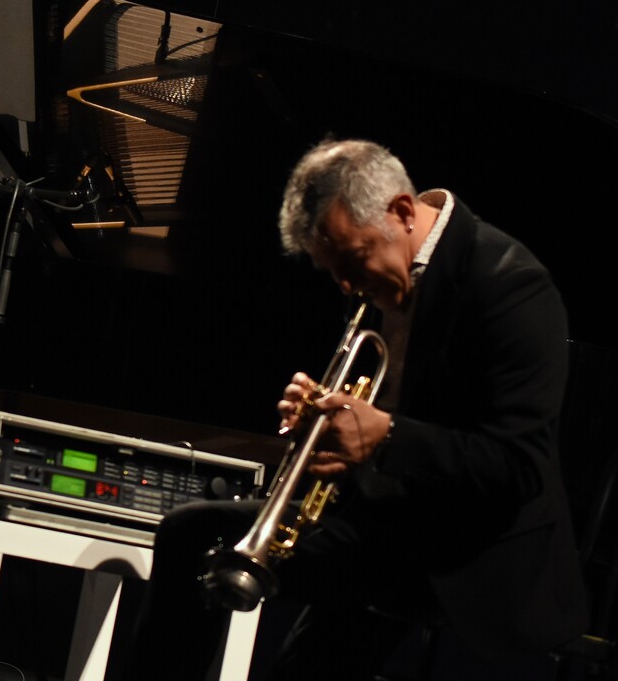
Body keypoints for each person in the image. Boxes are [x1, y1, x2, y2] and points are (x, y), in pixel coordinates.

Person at [129, 137, 588, 679]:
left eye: (351, 262)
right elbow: (370, 417)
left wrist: (384, 437)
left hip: (472, 554)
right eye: (332, 271)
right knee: (190, 533)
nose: (346, 286)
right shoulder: (375, 271)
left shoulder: (510, 286)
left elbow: (519, 467)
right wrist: (327, 427)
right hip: (384, 529)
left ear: (400, 211)